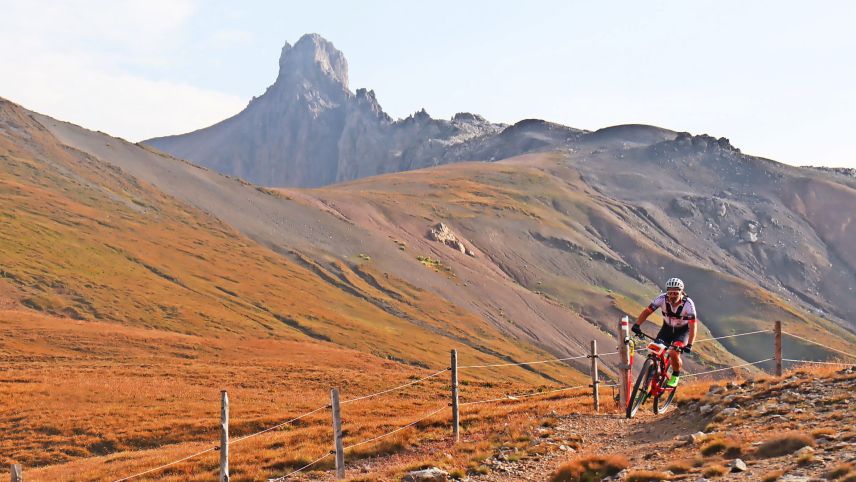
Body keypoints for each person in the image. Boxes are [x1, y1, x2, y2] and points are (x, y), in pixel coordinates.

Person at [631, 277, 697, 388]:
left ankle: (675, 376)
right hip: (666, 329)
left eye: (676, 293)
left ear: (682, 292)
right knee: (655, 351)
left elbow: (693, 325)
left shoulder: (689, 304)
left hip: (682, 332)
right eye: (670, 293)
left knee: (673, 353)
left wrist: (690, 344)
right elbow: (647, 311)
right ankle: (647, 382)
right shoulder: (661, 299)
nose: (672, 296)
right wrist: (637, 325)